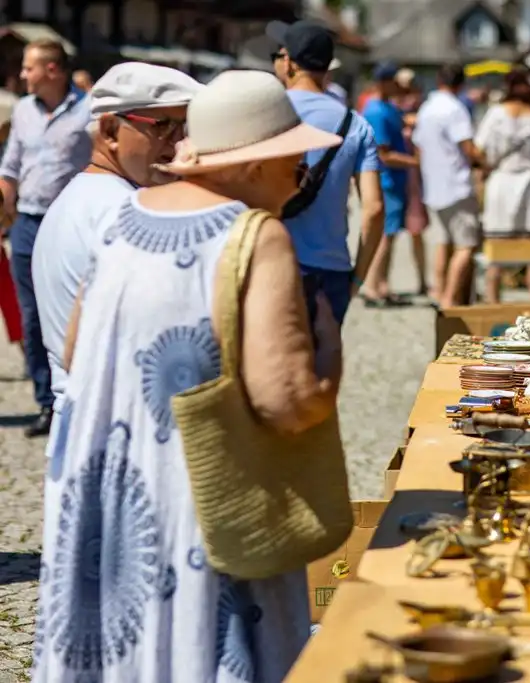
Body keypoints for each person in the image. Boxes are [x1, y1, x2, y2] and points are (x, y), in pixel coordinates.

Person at [33, 70, 344, 682]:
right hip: (204, 496)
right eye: (295, 161)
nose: (302, 176)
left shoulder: (123, 220)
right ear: (253, 163)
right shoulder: (256, 236)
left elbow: (75, 350)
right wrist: (330, 359)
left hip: (113, 492)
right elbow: (285, 400)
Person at [32, 62, 202, 423]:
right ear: (110, 130)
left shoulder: (80, 197)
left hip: (82, 418)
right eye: (163, 126)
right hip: (112, 424)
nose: (178, 143)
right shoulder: (125, 211)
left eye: (185, 128)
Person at [0, 39, 91, 437]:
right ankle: (47, 403)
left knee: (75, 310)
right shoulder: (23, 111)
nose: (22, 74)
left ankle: (80, 399)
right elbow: (10, 167)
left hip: (72, 224)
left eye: (28, 67)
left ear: (51, 70)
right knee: (31, 314)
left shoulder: (89, 111)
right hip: (28, 223)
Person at [267, 20, 384, 328]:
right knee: (325, 354)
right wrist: (358, 278)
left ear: (289, 63)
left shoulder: (264, 114)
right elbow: (373, 209)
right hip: (332, 269)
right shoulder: (355, 124)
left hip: (271, 262)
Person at [475, 68, 530, 303]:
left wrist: (488, 166)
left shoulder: (495, 114)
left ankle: (493, 302)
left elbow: (479, 150)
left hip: (501, 181)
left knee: (497, 245)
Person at [413, 63, 482, 308]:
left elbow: (419, 147)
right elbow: (468, 147)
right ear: (461, 84)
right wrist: (485, 160)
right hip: (456, 185)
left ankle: (439, 291)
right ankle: (450, 299)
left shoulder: (426, 108)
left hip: (434, 186)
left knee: (443, 242)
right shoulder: (455, 109)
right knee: (466, 246)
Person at [362, 62, 418, 306]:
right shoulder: (377, 111)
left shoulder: (388, 107)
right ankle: (372, 286)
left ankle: (382, 284)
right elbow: (383, 154)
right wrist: (415, 162)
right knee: (384, 236)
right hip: (386, 181)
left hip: (395, 181)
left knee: (390, 235)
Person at [396, 70, 429, 297]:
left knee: (417, 232)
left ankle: (422, 280)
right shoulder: (393, 109)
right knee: (389, 232)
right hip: (400, 173)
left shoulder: (421, 110)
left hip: (414, 177)